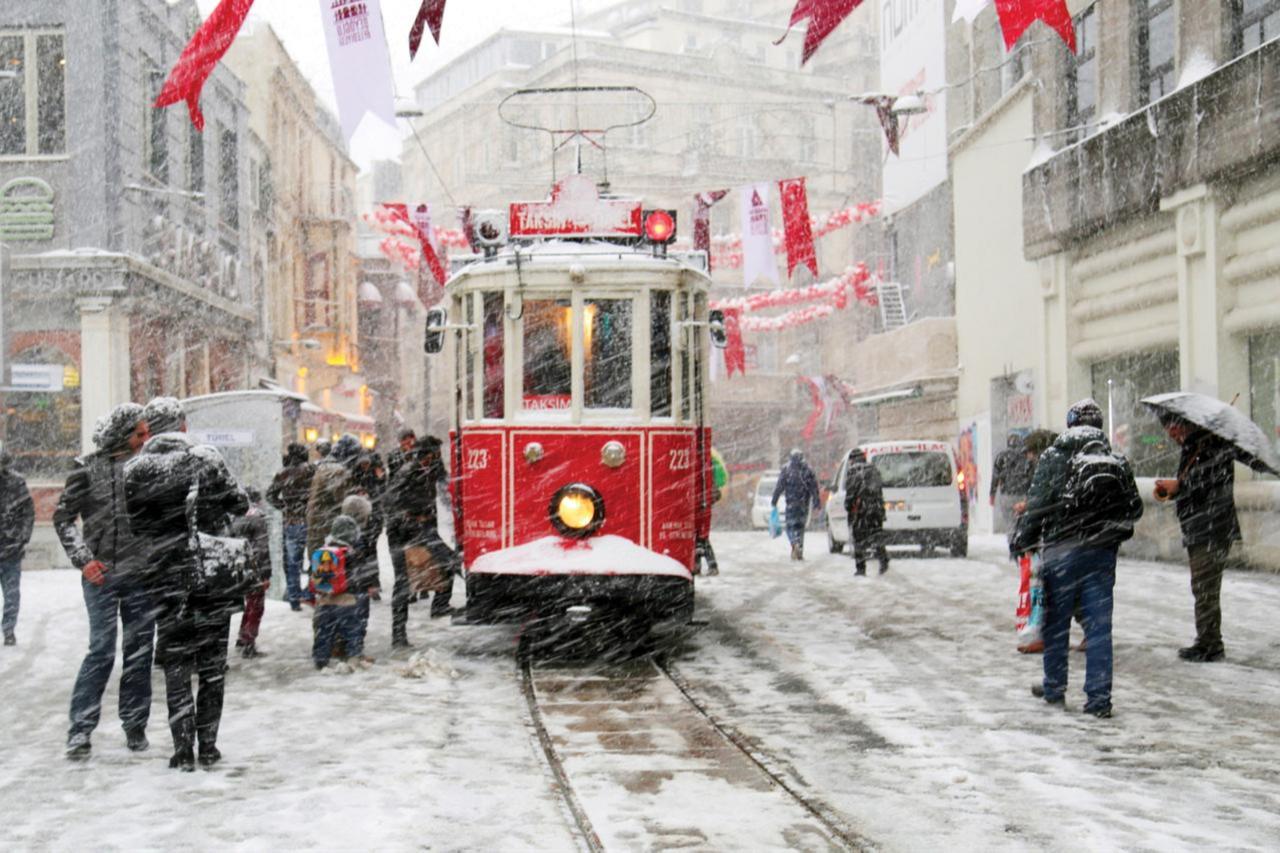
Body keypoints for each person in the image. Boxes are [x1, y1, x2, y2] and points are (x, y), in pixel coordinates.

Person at [125, 397, 249, 771]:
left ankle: (182, 750)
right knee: (212, 664)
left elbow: (137, 526)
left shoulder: (135, 470)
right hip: (211, 575)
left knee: (176, 663)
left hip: (166, 576)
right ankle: (208, 745)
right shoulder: (206, 458)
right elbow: (240, 503)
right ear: (181, 426)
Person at [1010, 399, 1143, 718]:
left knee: (1056, 623)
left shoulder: (1054, 457)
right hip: (1102, 553)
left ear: (1070, 425)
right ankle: (1099, 699)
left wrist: (1024, 539)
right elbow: (1135, 508)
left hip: (1061, 551)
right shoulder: (1116, 460)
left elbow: (1039, 503)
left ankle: (1054, 686)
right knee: (1099, 628)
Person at [54, 403, 154, 759]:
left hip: (141, 576)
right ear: (121, 435)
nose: (147, 439)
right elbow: (63, 519)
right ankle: (80, 730)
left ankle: (135, 726)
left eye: (147, 433)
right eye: (139, 433)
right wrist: (84, 561)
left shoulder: (148, 466)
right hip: (102, 577)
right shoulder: (86, 469)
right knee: (101, 651)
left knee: (139, 653)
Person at [1154, 414, 1242, 663]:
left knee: (1205, 588)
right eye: (1167, 430)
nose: (1171, 434)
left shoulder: (1212, 446)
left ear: (1186, 424)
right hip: (1201, 527)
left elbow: (1209, 482)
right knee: (1203, 587)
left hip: (1212, 527)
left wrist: (1179, 486)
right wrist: (1174, 490)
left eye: (1173, 428)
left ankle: (1210, 644)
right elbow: (1197, 484)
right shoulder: (1195, 446)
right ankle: (1207, 640)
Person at [386, 436, 454, 644]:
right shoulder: (408, 472)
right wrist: (410, 520)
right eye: (436, 453)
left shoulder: (428, 471)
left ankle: (440, 605)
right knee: (403, 582)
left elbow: (444, 485)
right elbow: (389, 502)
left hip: (422, 529)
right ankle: (398, 633)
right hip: (403, 533)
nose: (439, 457)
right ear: (429, 455)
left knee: (449, 562)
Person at [311, 514, 371, 669]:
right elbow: (360, 577)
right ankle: (353, 658)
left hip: (325, 600)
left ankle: (320, 660)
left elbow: (313, 575)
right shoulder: (352, 552)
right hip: (348, 600)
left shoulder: (324, 551)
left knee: (323, 632)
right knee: (353, 631)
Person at [266, 443, 314, 611]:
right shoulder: (310, 470)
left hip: (291, 522)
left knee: (293, 563)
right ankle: (310, 593)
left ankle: (294, 598)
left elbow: (269, 495)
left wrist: (284, 507)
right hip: (311, 520)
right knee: (314, 557)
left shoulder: (282, 473)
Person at [305, 433, 361, 556]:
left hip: (318, 527)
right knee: (328, 569)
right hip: (327, 530)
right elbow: (343, 502)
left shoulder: (325, 466)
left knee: (319, 567)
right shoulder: (337, 470)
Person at [0, 450, 35, 647]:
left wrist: (22, 537)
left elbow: (28, 511)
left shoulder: (16, 483)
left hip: (11, 548)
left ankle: (9, 629)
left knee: (11, 593)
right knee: (12, 593)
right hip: (11, 544)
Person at [233, 487, 272, 658]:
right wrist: (265, 574)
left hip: (240, 567)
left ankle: (242, 638)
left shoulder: (237, 517)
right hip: (255, 567)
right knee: (256, 606)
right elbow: (262, 548)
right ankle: (249, 643)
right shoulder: (258, 518)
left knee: (249, 604)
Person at [843, 448, 887, 576]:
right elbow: (879, 489)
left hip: (860, 511)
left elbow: (850, 494)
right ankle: (883, 560)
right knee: (876, 535)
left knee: (859, 540)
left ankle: (861, 568)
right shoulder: (873, 469)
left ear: (852, 460)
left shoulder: (853, 472)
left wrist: (849, 508)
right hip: (876, 509)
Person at [772, 448, 821, 561]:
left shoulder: (786, 469)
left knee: (790, 527)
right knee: (800, 527)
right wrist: (816, 502)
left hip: (791, 504)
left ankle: (794, 543)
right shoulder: (808, 470)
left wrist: (774, 500)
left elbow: (779, 487)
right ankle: (800, 549)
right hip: (803, 504)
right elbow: (814, 488)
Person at [991, 434, 1032, 535]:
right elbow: (1031, 475)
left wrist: (992, 494)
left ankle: (1012, 543)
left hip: (1007, 495)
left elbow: (995, 476)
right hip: (1023, 495)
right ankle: (1022, 540)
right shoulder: (1025, 457)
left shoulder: (1001, 456)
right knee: (1023, 522)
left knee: (1009, 523)